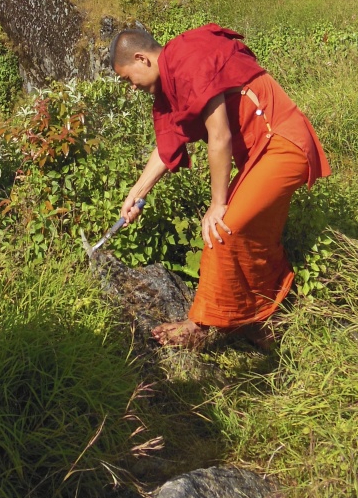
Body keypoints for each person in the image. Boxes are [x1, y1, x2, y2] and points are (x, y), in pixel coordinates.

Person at [109, 24, 330, 350]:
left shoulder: (187, 59)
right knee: (254, 240)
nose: (131, 87)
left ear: (141, 59)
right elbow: (168, 144)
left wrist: (217, 203)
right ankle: (266, 324)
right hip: (261, 155)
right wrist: (136, 194)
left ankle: (201, 325)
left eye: (127, 79)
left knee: (223, 228)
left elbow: (220, 135)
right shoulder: (169, 84)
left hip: (281, 142)